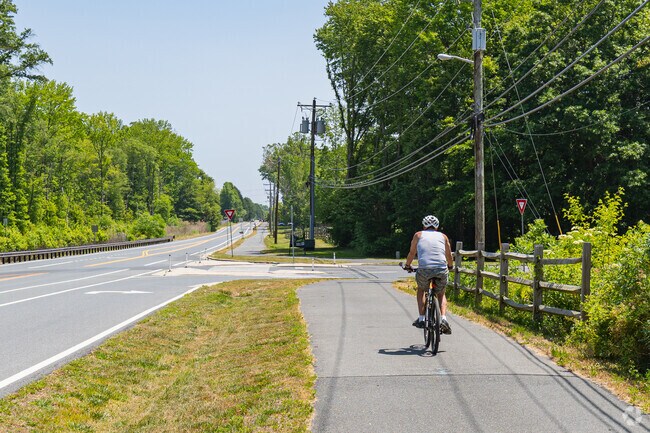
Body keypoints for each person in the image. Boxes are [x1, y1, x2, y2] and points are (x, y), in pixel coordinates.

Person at [404, 215, 453, 334]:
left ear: (424, 225)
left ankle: (421, 319)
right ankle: (443, 319)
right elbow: (448, 255)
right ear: (436, 227)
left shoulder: (418, 235)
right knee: (441, 293)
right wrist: (450, 266)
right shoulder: (443, 236)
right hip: (441, 269)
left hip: (424, 269)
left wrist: (407, 265)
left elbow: (412, 253)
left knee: (421, 290)